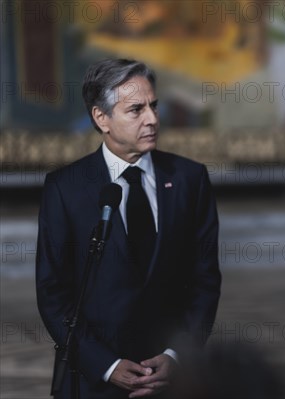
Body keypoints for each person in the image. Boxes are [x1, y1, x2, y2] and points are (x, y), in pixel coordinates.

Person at [36, 59, 221, 398]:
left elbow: (204, 280)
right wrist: (105, 365)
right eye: (136, 110)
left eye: (154, 106)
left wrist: (176, 356)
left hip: (174, 382)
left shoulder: (189, 179)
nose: (152, 119)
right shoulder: (66, 188)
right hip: (93, 382)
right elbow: (53, 293)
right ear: (101, 118)